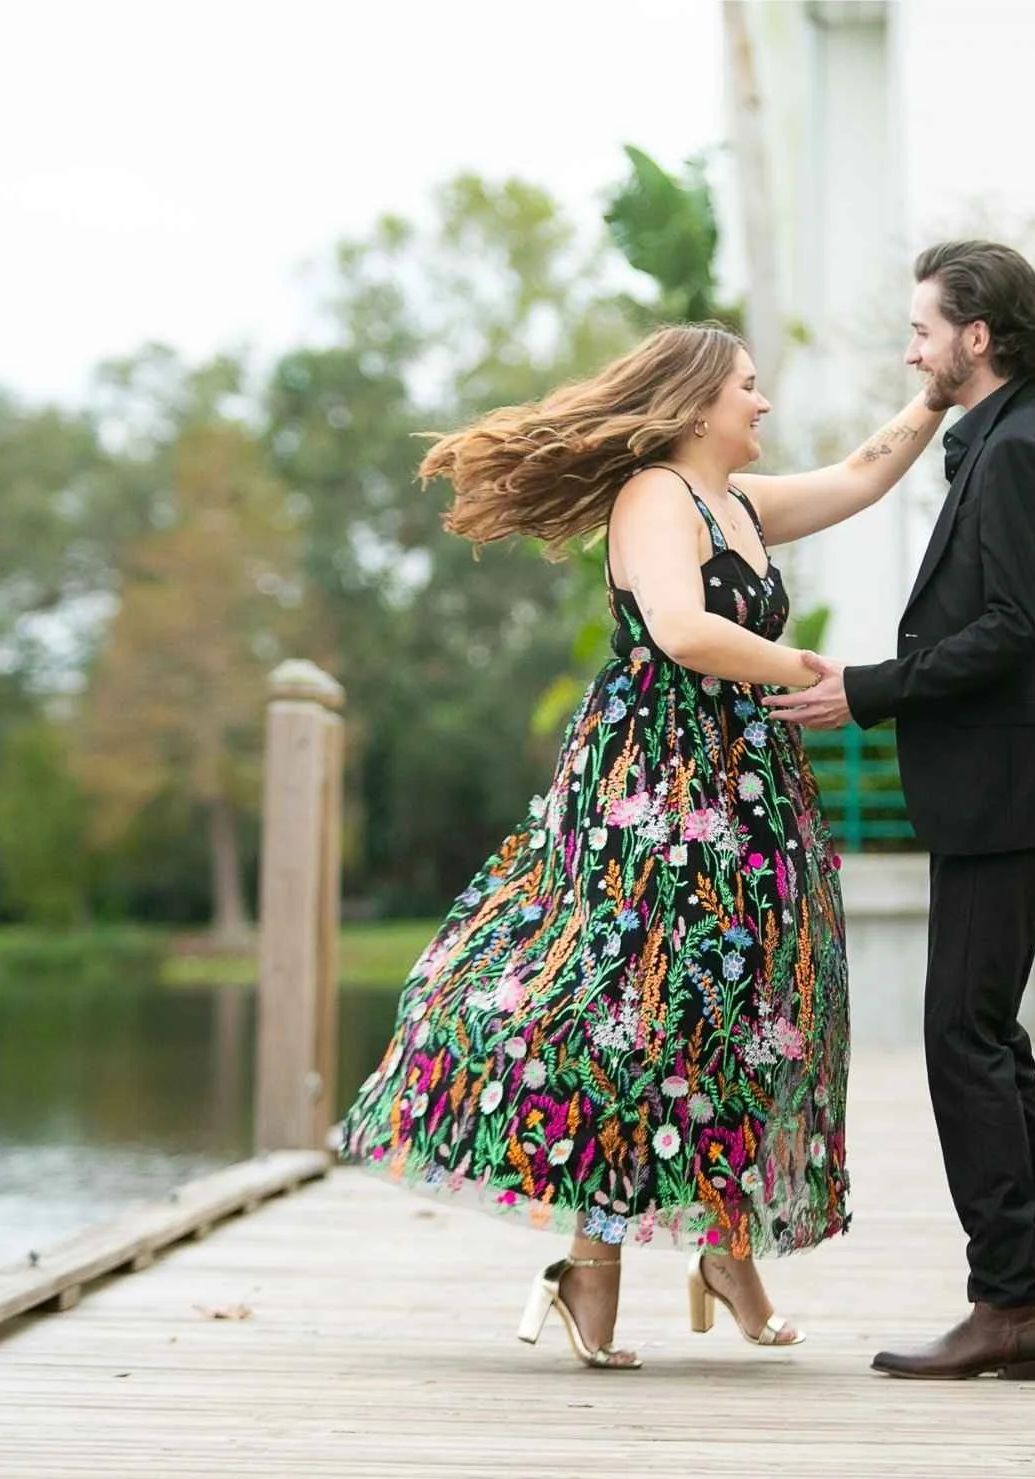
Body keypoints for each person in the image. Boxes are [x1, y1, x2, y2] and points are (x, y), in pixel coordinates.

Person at [336, 323, 945, 1368]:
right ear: (699, 400)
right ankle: (604, 1259)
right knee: (639, 1011)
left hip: (744, 788)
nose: (761, 404)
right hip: (656, 794)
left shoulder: (739, 506)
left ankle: (717, 1245)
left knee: (749, 1008)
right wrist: (807, 666)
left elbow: (855, 476)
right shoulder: (656, 495)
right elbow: (679, 627)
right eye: (749, 388)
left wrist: (936, 400)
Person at [768, 241, 1035, 1382]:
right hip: (1011, 776)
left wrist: (865, 689)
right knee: (991, 1040)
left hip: (1001, 779)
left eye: (922, 328)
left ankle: (1006, 1302)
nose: (910, 347)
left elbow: (1013, 628)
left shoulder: (1018, 447)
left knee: (960, 1041)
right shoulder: (1029, 431)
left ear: (978, 334)